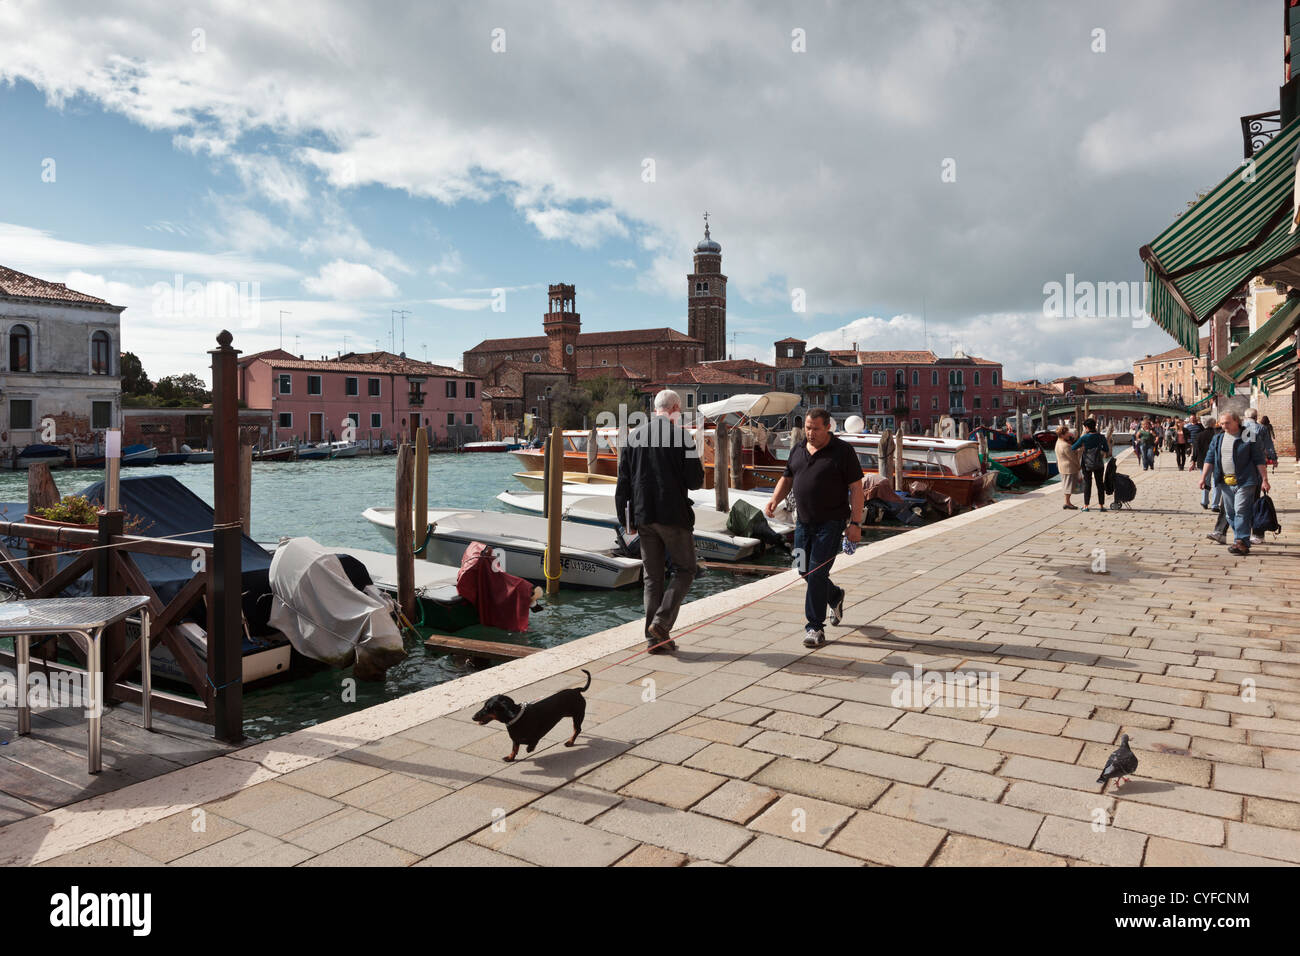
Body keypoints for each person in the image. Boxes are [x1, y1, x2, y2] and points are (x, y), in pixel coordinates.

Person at [765, 408, 864, 648]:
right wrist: (774, 500)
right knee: (802, 570)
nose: (810, 433)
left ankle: (815, 628)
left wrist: (855, 523)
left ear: (828, 427)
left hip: (831, 524)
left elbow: (857, 489)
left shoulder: (843, 451)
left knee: (817, 573)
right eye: (808, 427)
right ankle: (835, 595)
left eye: (815, 429)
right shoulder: (798, 448)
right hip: (803, 523)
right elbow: (787, 478)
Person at [616, 388, 705, 654]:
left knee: (652, 578)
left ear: (654, 409)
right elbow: (695, 481)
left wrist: (625, 519)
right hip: (673, 516)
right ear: (676, 408)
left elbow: (623, 481)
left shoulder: (634, 437)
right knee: (686, 570)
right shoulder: (681, 437)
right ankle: (661, 623)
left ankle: (654, 640)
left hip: (643, 516)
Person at [1201, 411, 1269, 555]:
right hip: (1225, 481)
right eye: (1222, 423)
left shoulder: (1248, 435)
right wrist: (1203, 478)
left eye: (1227, 423)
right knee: (1230, 514)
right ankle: (1240, 540)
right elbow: (1210, 458)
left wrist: (1264, 479)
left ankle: (1241, 541)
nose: (1224, 426)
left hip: (1246, 480)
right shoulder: (1218, 438)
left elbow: (1259, 459)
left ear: (1237, 421)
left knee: (1241, 511)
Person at [1071, 419, 1110, 511]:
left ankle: (1086, 506)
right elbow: (1106, 449)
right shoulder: (1101, 437)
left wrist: (1083, 446)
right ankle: (1101, 506)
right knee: (1100, 484)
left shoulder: (1084, 437)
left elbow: (1073, 447)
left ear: (1087, 427)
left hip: (1086, 463)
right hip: (1098, 462)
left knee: (1088, 483)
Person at [1055, 424, 1082, 510]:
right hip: (1069, 468)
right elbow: (1073, 457)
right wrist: (1079, 466)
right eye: (1067, 433)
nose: (1068, 434)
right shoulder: (1065, 445)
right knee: (1068, 486)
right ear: (1062, 435)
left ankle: (1068, 502)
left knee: (1067, 484)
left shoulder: (1058, 442)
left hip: (1062, 467)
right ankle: (1067, 503)